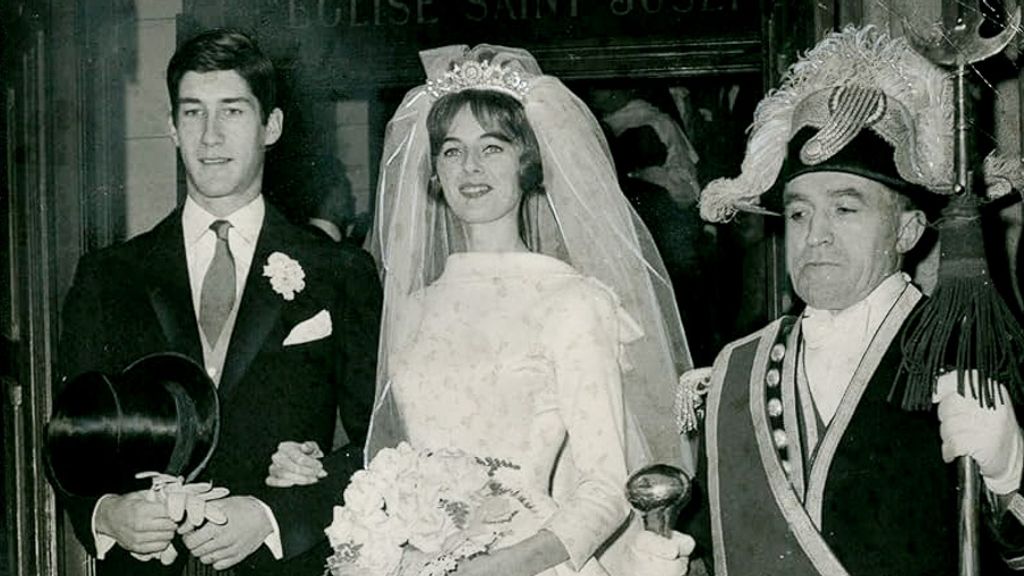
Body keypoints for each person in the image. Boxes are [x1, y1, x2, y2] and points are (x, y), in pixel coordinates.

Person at [266, 44, 695, 575]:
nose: (470, 167)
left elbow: (607, 485)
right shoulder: (412, 307)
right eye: (451, 150)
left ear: (527, 162)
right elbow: (382, 449)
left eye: (492, 148)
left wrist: (504, 565)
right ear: (435, 171)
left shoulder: (573, 302)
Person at [657, 25, 1024, 575]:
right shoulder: (737, 368)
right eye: (800, 213)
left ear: (908, 230)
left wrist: (1012, 477)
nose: (816, 234)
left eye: (846, 210)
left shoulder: (974, 350)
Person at [54, 28, 381, 576]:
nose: (210, 137)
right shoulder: (109, 275)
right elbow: (69, 438)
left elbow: (380, 442)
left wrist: (273, 516)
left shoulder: (338, 271)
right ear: (172, 129)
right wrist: (108, 514)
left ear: (270, 126)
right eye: (192, 113)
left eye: (232, 112)